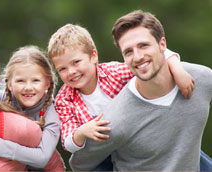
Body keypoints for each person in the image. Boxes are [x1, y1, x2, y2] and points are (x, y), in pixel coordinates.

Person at [69, 10, 212, 171]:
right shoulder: (114, 121)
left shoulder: (203, 80)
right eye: (128, 51)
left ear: (162, 44)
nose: (137, 57)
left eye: (143, 45)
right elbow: (80, 165)